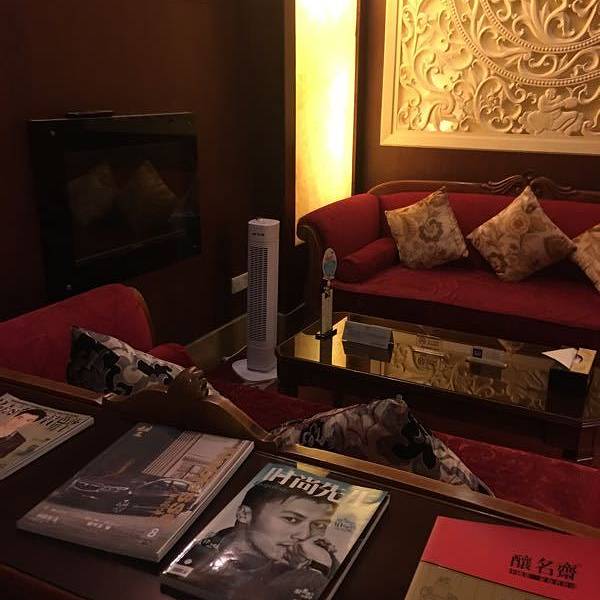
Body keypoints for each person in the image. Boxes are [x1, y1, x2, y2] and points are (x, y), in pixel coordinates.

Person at [176, 479, 340, 600]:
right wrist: (314, 572)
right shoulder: (197, 557)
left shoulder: (321, 559)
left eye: (319, 525)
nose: (304, 535)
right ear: (244, 514)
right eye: (291, 519)